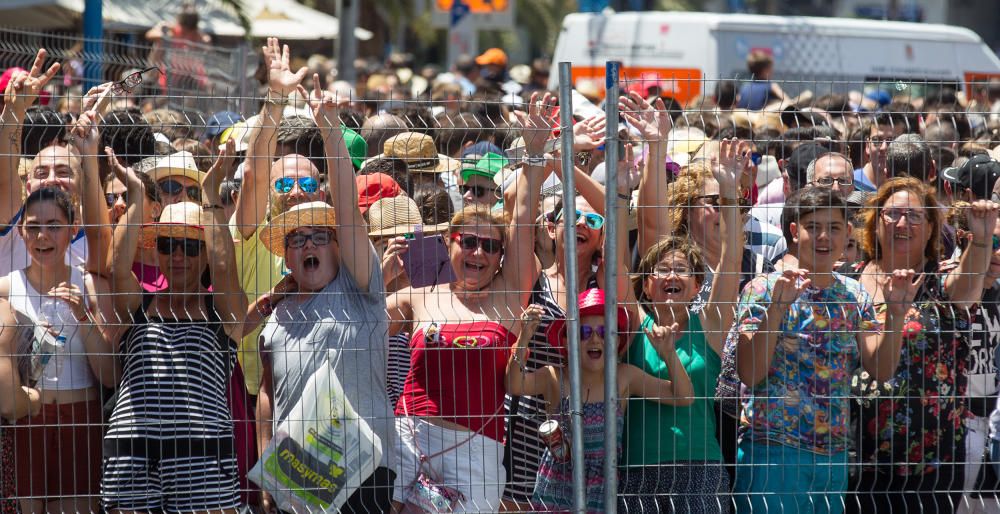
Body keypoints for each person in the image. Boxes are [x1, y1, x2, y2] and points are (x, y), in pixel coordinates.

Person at [387, 92, 554, 513]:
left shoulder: (507, 297)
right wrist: (381, 276)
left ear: (503, 257)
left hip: (474, 455)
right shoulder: (419, 298)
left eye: (491, 247)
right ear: (449, 242)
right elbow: (357, 320)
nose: (479, 253)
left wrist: (534, 156)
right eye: (470, 242)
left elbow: (521, 216)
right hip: (408, 444)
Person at [732, 186, 921, 514]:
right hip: (772, 453)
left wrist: (895, 314)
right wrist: (777, 308)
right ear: (794, 231)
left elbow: (881, 369)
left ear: (848, 232)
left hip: (833, 458)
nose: (823, 237)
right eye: (813, 227)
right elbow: (748, 372)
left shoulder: (854, 294)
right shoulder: (761, 288)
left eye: (833, 227)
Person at [256, 80, 399, 513]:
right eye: (297, 239)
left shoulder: (361, 287)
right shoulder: (275, 313)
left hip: (364, 476)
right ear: (285, 251)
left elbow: (351, 218)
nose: (309, 246)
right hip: (297, 479)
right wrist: (265, 466)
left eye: (320, 235)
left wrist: (330, 130)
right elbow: (266, 394)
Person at [101, 143, 247, 511]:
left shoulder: (222, 312)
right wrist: (136, 197)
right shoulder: (142, 303)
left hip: (203, 459)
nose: (178, 255)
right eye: (168, 244)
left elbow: (227, 269)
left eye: (190, 245)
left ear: (207, 252)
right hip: (132, 456)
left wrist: (211, 194)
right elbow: (116, 268)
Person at [619, 92, 746, 513]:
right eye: (662, 271)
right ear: (647, 286)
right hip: (638, 474)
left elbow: (731, 262)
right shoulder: (635, 323)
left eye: (682, 272)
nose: (671, 277)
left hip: (702, 471)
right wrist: (623, 194)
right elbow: (617, 265)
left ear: (696, 287)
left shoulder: (709, 322)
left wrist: (728, 196)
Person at [850, 177, 998, 514]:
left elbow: (967, 286)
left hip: (934, 459)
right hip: (860, 454)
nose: (903, 223)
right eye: (893, 214)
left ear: (931, 228)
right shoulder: (850, 280)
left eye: (915, 216)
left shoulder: (941, 278)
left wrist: (982, 239)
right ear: (876, 223)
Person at [506, 290, 693, 513]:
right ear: (567, 341)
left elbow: (683, 396)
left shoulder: (623, 377)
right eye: (585, 332)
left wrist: (669, 354)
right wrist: (523, 338)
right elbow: (514, 384)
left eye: (604, 332)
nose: (595, 339)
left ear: (616, 341)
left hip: (601, 493)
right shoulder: (555, 377)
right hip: (555, 491)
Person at [0, 187, 118, 514]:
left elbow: (110, 374)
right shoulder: (6, 288)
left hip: (80, 420)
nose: (43, 236)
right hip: (24, 420)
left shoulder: (91, 286)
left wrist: (83, 315)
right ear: (21, 231)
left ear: (72, 229)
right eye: (33, 226)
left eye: (54, 225)